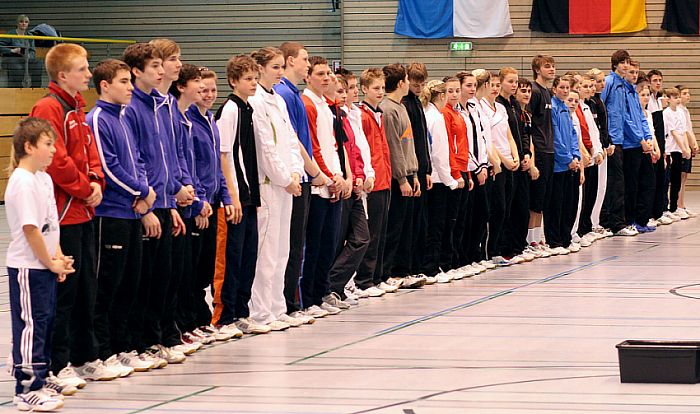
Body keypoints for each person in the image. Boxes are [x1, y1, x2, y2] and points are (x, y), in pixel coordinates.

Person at [29, 43, 106, 383]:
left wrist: (95, 181)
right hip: (63, 216)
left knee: (87, 288)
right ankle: (55, 364)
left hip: (84, 213)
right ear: (63, 75)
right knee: (64, 294)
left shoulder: (77, 108)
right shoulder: (48, 108)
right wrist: (82, 188)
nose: (89, 74)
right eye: (83, 69)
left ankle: (83, 355)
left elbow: (90, 153)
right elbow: (56, 160)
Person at [87, 59, 154, 376]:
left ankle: (123, 347)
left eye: (130, 81)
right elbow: (109, 168)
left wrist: (146, 193)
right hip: (110, 214)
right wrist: (140, 191)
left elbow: (137, 158)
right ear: (105, 85)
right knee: (107, 286)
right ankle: (101, 351)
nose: (130, 87)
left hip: (131, 212)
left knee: (131, 283)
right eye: (124, 82)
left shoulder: (124, 117)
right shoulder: (98, 118)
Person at [7, 117, 75, 411]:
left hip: (45, 265)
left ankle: (42, 375)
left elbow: (50, 225)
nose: (52, 151)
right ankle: (25, 387)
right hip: (28, 267)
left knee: (45, 323)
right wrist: (49, 262)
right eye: (48, 145)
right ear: (28, 146)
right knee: (30, 326)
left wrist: (58, 258)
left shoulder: (44, 179)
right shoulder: (21, 182)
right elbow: (30, 229)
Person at [121, 42, 177, 368]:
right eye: (154, 66)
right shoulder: (132, 109)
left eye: (162, 65)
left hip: (166, 202)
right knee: (142, 280)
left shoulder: (161, 105)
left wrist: (171, 200)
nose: (160, 71)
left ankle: (156, 339)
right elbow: (135, 159)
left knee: (163, 276)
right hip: (144, 206)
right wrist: (146, 206)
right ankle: (139, 343)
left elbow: (169, 156)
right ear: (136, 71)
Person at [248, 47, 305, 330]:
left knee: (283, 249)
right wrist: (284, 177)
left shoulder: (278, 101)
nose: (280, 72)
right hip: (269, 185)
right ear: (259, 68)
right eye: (274, 67)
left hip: (287, 186)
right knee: (267, 251)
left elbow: (291, 141)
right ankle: (260, 311)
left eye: (282, 66)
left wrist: (296, 171)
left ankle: (277, 306)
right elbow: (265, 148)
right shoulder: (256, 102)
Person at [213, 54, 269, 335]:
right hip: (236, 197)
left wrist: (253, 196)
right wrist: (233, 197)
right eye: (248, 79)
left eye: (255, 78)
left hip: (250, 195)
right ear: (234, 81)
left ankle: (242, 312)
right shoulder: (231, 109)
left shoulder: (249, 109)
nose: (254, 83)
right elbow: (224, 155)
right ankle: (224, 316)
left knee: (249, 256)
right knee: (232, 257)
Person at [274, 42, 328, 323]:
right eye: (305, 59)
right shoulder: (283, 92)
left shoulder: (290, 92)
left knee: (296, 244)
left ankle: (289, 302)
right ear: (291, 60)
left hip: (303, 176)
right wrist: (313, 170)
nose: (307, 64)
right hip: (298, 177)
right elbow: (291, 139)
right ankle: (286, 302)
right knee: (291, 244)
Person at [187, 68, 237, 341]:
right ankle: (192, 321)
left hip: (214, 202)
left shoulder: (210, 120)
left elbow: (217, 164)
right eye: (203, 90)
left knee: (206, 265)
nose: (208, 95)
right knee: (194, 268)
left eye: (212, 91)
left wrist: (226, 196)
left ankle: (200, 320)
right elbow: (192, 165)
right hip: (199, 205)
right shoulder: (190, 122)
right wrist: (200, 201)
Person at [168, 63, 209, 356]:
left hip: (192, 200)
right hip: (174, 203)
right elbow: (166, 161)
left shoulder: (185, 119)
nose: (203, 90)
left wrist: (198, 195)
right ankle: (173, 329)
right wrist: (182, 194)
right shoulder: (171, 114)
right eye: (198, 83)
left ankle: (185, 324)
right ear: (182, 86)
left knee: (192, 269)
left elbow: (191, 164)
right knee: (176, 273)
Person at [300, 56, 346, 316]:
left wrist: (338, 175)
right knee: (314, 244)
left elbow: (333, 147)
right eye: (320, 73)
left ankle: (321, 292)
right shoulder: (308, 104)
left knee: (329, 243)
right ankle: (308, 297)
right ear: (308, 77)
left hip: (332, 181)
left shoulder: (325, 105)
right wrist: (328, 177)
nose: (326, 78)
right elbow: (313, 147)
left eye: (328, 73)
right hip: (319, 186)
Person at [326, 70, 371, 300]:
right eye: (339, 91)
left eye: (346, 91)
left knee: (362, 238)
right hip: (340, 185)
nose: (344, 95)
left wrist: (359, 175)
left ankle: (335, 283)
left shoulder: (345, 117)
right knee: (335, 240)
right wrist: (343, 177)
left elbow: (355, 151)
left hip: (353, 184)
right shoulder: (332, 116)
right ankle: (330, 288)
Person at [380, 63, 424, 289]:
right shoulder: (387, 109)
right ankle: (389, 272)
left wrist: (414, 173)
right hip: (398, 179)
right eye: (407, 80)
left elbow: (410, 145)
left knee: (407, 227)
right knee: (395, 227)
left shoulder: (402, 107)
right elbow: (393, 147)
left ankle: (403, 270)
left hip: (409, 174)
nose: (409, 84)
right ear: (400, 83)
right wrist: (402, 178)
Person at [354, 68, 393, 297]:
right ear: (364, 89)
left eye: (382, 88)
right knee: (372, 232)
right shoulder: (362, 115)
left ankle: (377, 277)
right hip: (373, 181)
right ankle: (364, 279)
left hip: (384, 178)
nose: (380, 92)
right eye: (375, 88)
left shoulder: (379, 114)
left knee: (382, 231)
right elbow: (364, 149)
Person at [419, 79, 459, 283]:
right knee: (436, 225)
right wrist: (450, 180)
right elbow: (440, 153)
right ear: (441, 96)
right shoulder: (436, 117)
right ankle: (432, 268)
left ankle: (431, 266)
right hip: (437, 179)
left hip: (429, 177)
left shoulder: (424, 112)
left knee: (429, 225)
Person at [480, 72, 519, 265]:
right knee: (497, 208)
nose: (495, 88)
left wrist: (516, 156)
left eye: (497, 85)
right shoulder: (482, 109)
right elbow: (489, 139)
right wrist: (502, 160)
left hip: (509, 162)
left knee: (507, 209)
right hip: (496, 164)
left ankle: (501, 248)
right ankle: (490, 250)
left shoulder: (502, 108)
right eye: (492, 84)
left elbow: (509, 135)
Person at [496, 67, 533, 262]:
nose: (514, 85)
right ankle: (506, 248)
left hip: (520, 162)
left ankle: (519, 245)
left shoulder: (515, 105)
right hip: (508, 164)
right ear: (501, 82)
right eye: (510, 81)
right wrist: (511, 157)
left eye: (516, 81)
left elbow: (524, 133)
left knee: (522, 206)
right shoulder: (499, 105)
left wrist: (526, 153)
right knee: (507, 208)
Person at [601, 49, 637, 236]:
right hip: (611, 139)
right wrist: (605, 137)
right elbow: (600, 108)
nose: (625, 65)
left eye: (627, 62)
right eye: (622, 62)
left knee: (617, 181)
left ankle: (609, 221)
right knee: (616, 181)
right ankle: (615, 223)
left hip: (621, 139)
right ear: (615, 64)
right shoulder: (608, 83)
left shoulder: (623, 85)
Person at [402, 63, 432, 280]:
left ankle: (416, 265)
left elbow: (423, 142)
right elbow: (407, 142)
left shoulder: (417, 103)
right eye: (415, 83)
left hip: (421, 169)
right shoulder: (404, 104)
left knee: (420, 221)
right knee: (409, 222)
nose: (419, 87)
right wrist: (411, 173)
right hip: (411, 170)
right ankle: (405, 267)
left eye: (422, 84)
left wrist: (427, 169)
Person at [440, 76, 471, 279]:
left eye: (456, 91)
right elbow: (448, 147)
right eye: (450, 91)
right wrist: (456, 173)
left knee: (461, 219)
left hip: (463, 168)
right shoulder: (445, 114)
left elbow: (464, 144)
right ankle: (446, 262)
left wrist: (467, 171)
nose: (454, 94)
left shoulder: (459, 113)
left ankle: (457, 260)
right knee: (449, 220)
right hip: (453, 171)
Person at [526, 55, 557, 255]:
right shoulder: (535, 92)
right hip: (538, 149)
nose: (552, 69)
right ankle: (530, 241)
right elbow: (529, 124)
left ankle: (538, 238)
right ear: (537, 70)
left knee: (543, 199)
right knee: (535, 199)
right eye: (547, 66)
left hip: (549, 149)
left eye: (553, 66)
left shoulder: (547, 92)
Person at [547, 76, 580, 254]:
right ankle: (555, 240)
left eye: (567, 88)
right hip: (559, 165)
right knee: (556, 204)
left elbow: (572, 134)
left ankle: (565, 238)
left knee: (569, 203)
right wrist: (567, 158)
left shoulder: (565, 109)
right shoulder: (552, 108)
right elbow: (556, 137)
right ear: (554, 89)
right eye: (561, 87)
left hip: (570, 164)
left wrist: (575, 156)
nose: (565, 91)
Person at [621, 62, 655, 232]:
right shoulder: (624, 94)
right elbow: (626, 120)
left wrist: (648, 138)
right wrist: (640, 139)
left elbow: (642, 118)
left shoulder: (634, 95)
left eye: (636, 72)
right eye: (631, 72)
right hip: (631, 145)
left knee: (647, 182)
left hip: (642, 144)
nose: (634, 75)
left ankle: (642, 219)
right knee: (631, 185)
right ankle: (630, 219)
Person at [574, 74, 605, 243]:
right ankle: (578, 230)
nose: (589, 89)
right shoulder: (576, 107)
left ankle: (586, 227)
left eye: (590, 86)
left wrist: (598, 150)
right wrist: (587, 152)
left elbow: (594, 132)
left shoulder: (588, 106)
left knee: (592, 191)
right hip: (583, 155)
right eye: (584, 86)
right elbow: (580, 135)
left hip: (592, 154)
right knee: (582, 195)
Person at [647, 70, 673, 224]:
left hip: (661, 144)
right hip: (652, 144)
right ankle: (649, 213)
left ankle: (658, 211)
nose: (658, 83)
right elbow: (652, 127)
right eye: (655, 80)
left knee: (660, 179)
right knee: (651, 180)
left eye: (660, 80)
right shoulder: (649, 100)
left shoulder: (658, 100)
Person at [664, 87, 692, 216]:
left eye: (678, 97)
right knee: (668, 179)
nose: (678, 100)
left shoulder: (680, 112)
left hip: (679, 149)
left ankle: (674, 208)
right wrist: (683, 147)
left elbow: (683, 131)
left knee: (677, 180)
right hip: (671, 149)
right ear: (668, 99)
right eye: (675, 98)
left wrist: (686, 148)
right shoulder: (667, 113)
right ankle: (666, 207)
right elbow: (674, 132)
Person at [0, 14, 43, 87]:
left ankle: (35, 88)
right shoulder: (11, 34)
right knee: (17, 68)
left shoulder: (30, 35)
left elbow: (33, 51)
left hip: (26, 59)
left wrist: (29, 55)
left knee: (38, 63)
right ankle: (17, 89)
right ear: (17, 23)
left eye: (26, 22)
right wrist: (12, 51)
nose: (24, 23)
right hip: (12, 59)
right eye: (21, 21)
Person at [676, 85, 698, 218]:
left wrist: (694, 143)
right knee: (679, 177)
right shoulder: (677, 111)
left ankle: (682, 204)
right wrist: (689, 144)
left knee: (684, 177)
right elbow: (683, 131)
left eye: (688, 93)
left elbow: (689, 129)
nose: (687, 95)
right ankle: (677, 205)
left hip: (688, 147)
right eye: (684, 93)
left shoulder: (685, 111)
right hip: (681, 148)